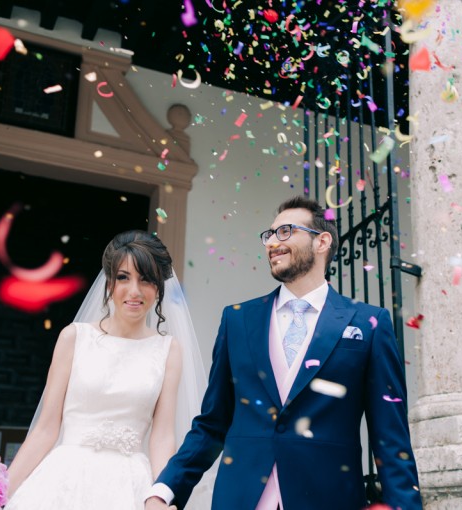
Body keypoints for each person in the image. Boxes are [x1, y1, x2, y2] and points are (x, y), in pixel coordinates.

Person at [145, 196, 422, 510]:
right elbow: (212, 423)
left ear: (322, 241)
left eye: (286, 231)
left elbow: (390, 439)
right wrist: (165, 489)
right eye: (269, 235)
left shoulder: (370, 324)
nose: (272, 242)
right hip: (241, 499)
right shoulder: (237, 320)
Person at [5, 230, 210, 509]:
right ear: (109, 282)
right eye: (123, 277)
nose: (134, 291)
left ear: (160, 286)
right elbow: (45, 428)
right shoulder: (73, 337)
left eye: (146, 279)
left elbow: (162, 437)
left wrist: (161, 495)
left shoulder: (168, 350)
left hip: (129, 487)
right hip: (64, 480)